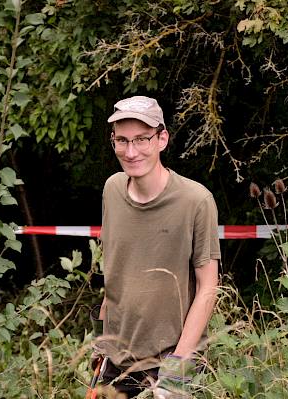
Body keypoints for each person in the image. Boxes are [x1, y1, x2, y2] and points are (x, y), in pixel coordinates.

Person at [93, 95, 221, 398]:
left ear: (162, 139)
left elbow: (208, 287)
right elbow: (113, 270)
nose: (131, 151)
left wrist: (178, 365)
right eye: (122, 141)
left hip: (171, 358)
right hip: (117, 358)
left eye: (142, 139)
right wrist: (101, 341)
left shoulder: (196, 201)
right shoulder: (112, 189)